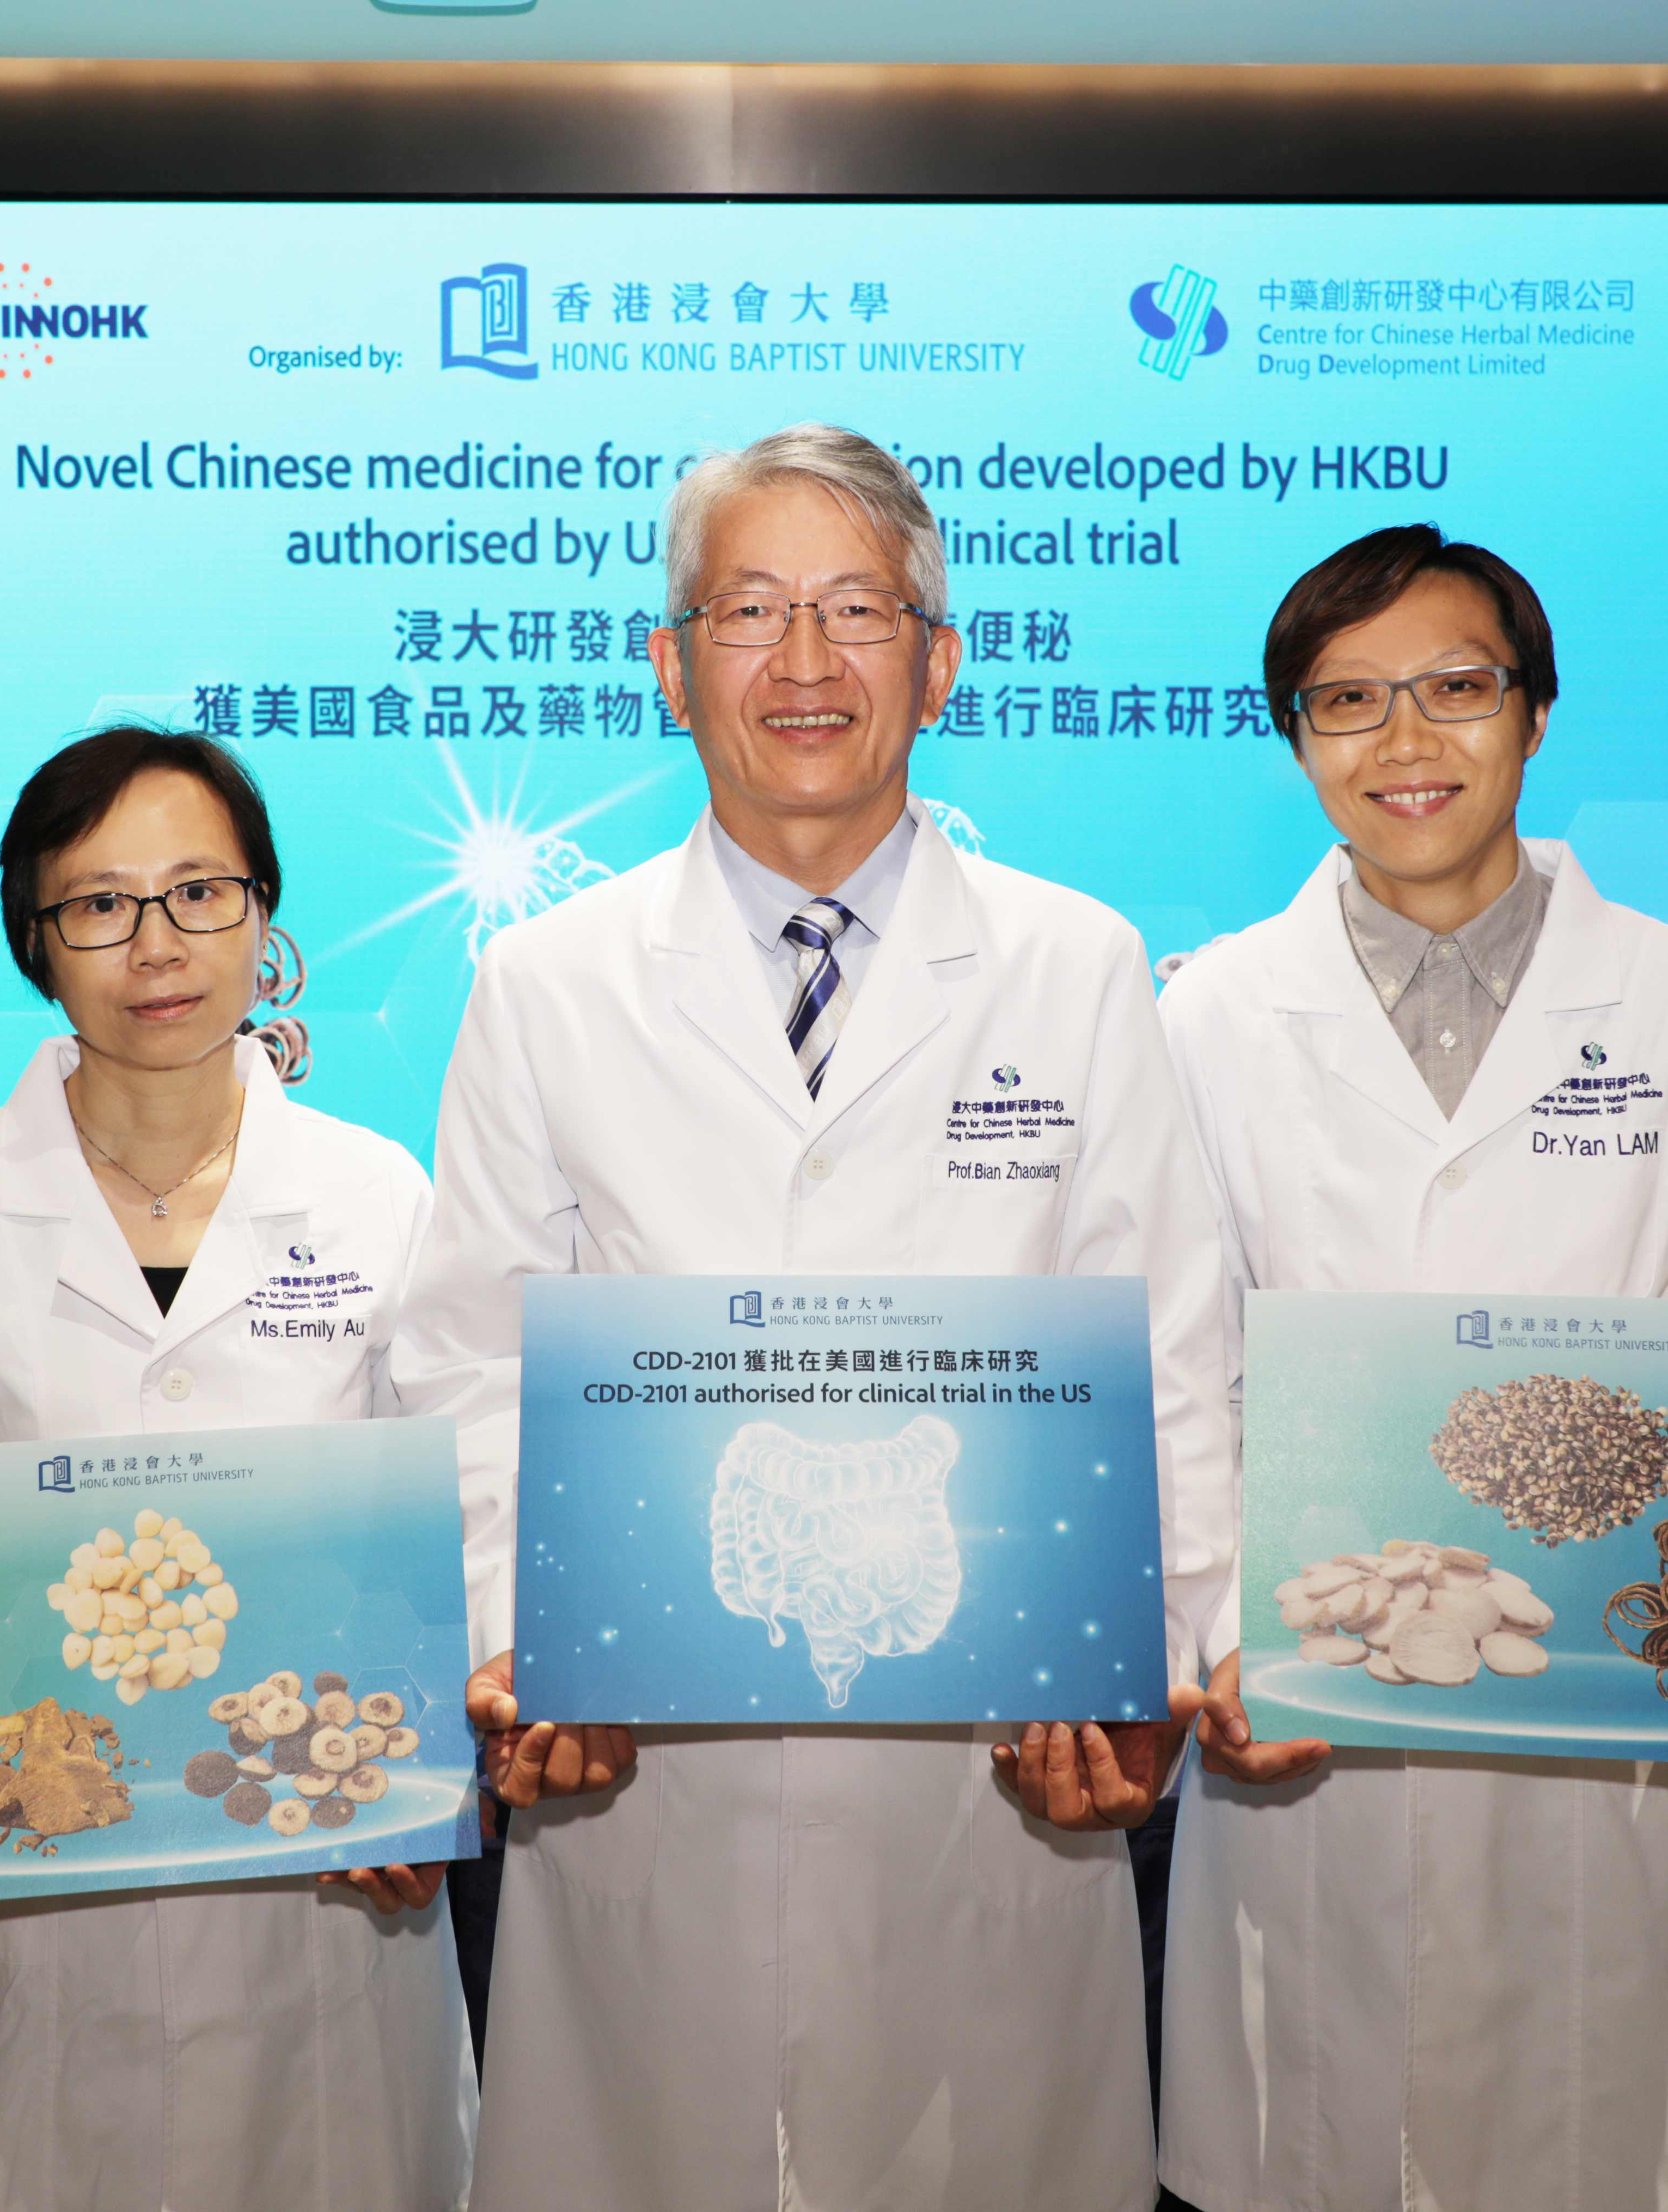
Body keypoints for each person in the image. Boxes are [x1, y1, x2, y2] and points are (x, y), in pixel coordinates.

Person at [388, 423, 1231, 2212]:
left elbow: (1165, 1344)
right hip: (642, 1772)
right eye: (748, 609)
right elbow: (465, 1352)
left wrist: (1155, 1659)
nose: (801, 661)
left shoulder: (1070, 961)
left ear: (937, 660)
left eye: (857, 611)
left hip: (998, 1766)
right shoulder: (547, 984)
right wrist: (512, 1637)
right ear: (668, 664)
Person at [1152, 527, 1668, 2212]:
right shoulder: (1207, 1017)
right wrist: (1221, 1639)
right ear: (1296, 742)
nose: (1402, 741)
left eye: (1453, 687)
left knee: (1608, 2132)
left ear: (1534, 714)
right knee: (1329, 2146)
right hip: (1315, 1729)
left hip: (1620, 1742)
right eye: (1344, 702)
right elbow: (1177, 1379)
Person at [0, 727, 476, 2212]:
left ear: (264, 916)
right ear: (35, 941)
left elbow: (445, 1523)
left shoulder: (377, 1192)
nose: (155, 946)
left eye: (199, 894)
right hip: (34, 1900)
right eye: (97, 904)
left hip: (322, 1883)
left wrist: (423, 1792)